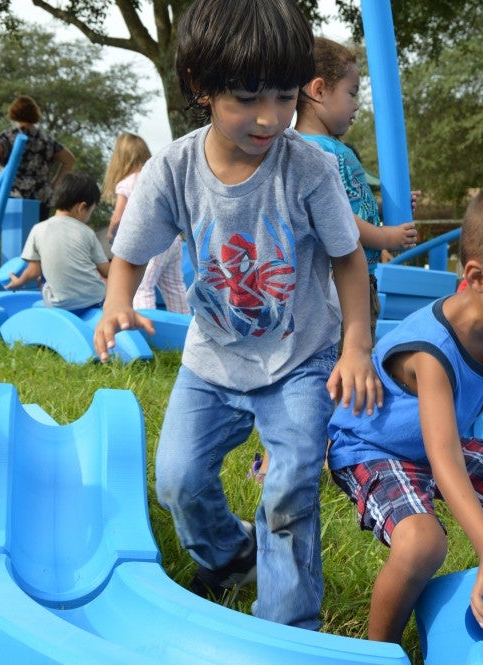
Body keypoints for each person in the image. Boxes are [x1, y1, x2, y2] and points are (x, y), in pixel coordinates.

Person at [93, 0, 380, 630]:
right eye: (247, 98)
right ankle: (228, 559)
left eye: (283, 95)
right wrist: (118, 302)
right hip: (212, 359)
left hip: (300, 359)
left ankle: (287, 623)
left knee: (291, 486)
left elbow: (349, 259)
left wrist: (356, 344)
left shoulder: (309, 167)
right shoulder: (172, 169)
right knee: (177, 479)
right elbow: (128, 254)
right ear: (201, 87)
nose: (270, 117)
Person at [328, 168, 483, 645]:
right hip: (374, 448)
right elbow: (442, 455)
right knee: (424, 543)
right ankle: (377, 652)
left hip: (437, 446)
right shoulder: (432, 350)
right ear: (477, 277)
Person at [294, 36, 418, 342]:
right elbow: (338, 218)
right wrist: (387, 237)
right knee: (345, 359)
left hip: (352, 280)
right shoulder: (316, 153)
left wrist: (380, 208)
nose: (357, 104)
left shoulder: (328, 148)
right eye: (351, 93)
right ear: (319, 90)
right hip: (337, 284)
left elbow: (349, 205)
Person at [102, 132, 189, 314]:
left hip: (149, 241)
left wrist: (112, 235)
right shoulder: (155, 177)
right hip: (173, 240)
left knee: (142, 286)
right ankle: (183, 325)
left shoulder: (127, 183)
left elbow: (118, 218)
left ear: (120, 158)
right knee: (174, 286)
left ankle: (146, 328)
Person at [5, 173, 109, 311]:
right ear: (82, 207)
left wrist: (18, 282)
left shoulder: (38, 229)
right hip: (95, 300)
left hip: (60, 305)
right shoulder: (87, 232)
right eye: (91, 211)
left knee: (42, 275)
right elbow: (107, 271)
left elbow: (33, 271)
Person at [0, 95, 74, 220]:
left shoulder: (9, 136)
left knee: (14, 238)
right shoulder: (46, 140)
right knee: (37, 238)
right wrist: (53, 185)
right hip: (41, 199)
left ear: (13, 113)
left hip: (13, 196)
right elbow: (69, 160)